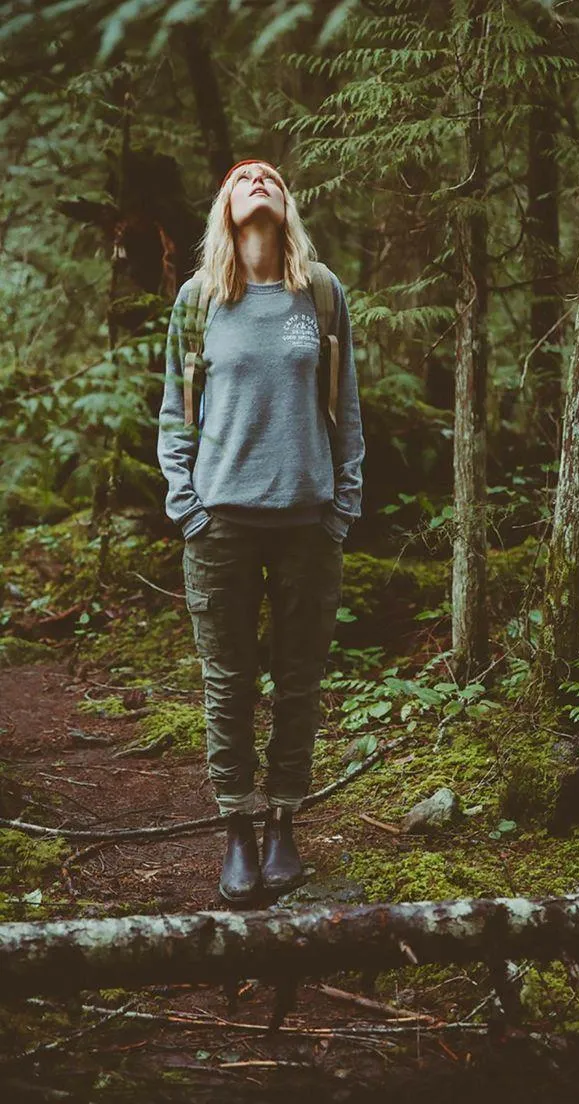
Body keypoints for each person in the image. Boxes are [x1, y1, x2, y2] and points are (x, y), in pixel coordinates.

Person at [156, 158, 365, 906]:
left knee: (300, 683)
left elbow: (347, 409)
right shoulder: (200, 299)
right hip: (221, 528)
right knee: (229, 684)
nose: (258, 182)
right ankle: (237, 831)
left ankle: (284, 822)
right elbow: (175, 414)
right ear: (225, 206)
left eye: (270, 177)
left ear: (286, 204)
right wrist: (187, 505)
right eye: (244, 177)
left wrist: (342, 506)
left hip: (308, 525)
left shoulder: (322, 294)